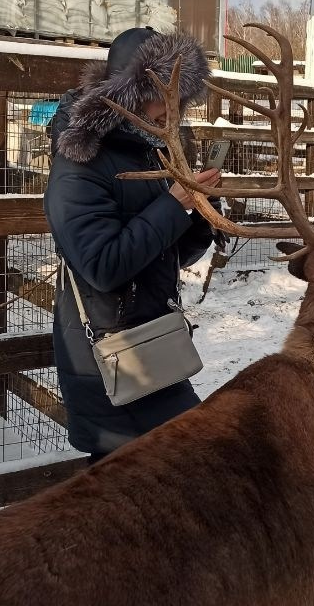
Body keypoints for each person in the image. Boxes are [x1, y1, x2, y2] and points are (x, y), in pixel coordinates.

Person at [44, 27, 222, 464]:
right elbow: (102, 265)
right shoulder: (79, 161)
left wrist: (199, 213)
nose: (174, 108)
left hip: (153, 350)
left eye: (181, 95)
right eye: (165, 93)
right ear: (130, 94)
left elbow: (169, 257)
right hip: (108, 365)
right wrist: (174, 205)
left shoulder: (150, 151)